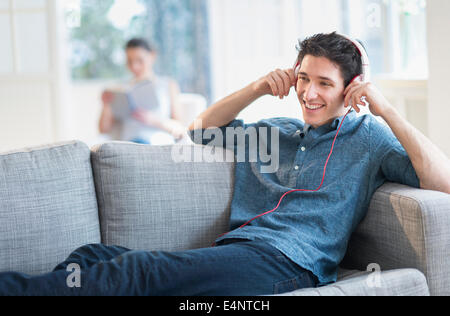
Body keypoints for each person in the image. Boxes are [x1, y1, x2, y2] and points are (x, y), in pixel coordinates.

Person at [1, 32, 449, 296]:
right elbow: (198, 132)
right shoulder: (274, 131)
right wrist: (255, 88)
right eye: (304, 79)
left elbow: (441, 181)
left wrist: (387, 109)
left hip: (290, 265)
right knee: (92, 256)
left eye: (324, 84)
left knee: (134, 274)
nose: (309, 93)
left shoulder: (369, 139)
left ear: (352, 88)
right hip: (238, 250)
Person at [99, 38, 186, 144]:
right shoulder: (121, 88)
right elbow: (103, 130)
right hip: (129, 144)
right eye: (129, 61)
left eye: (140, 60)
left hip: (157, 142)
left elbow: (180, 128)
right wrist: (106, 105)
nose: (134, 66)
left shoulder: (168, 85)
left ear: (152, 56)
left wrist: (153, 120)